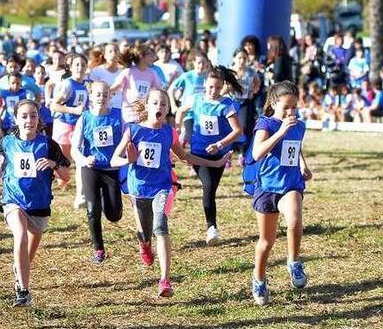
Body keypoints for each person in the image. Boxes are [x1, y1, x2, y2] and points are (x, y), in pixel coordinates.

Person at [109, 89, 227, 297]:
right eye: (155, 103)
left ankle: (165, 280)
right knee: (145, 233)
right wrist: (128, 160)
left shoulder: (169, 133)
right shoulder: (133, 131)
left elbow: (184, 157)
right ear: (147, 106)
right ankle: (145, 245)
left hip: (162, 187)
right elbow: (113, 160)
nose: (160, 107)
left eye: (164, 104)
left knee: (160, 226)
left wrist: (215, 162)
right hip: (139, 188)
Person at [0, 100, 70, 307]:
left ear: (38, 119)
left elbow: (66, 176)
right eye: (24, 116)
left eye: (33, 116)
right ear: (16, 119)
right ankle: (23, 292)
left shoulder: (48, 144)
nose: (29, 120)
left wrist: (54, 164)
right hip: (13, 200)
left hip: (39, 205)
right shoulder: (7, 142)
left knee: (27, 254)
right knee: (20, 235)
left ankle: (19, 272)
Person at [245, 81, 312, 305]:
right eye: (286, 107)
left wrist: (302, 164)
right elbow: (256, 152)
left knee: (294, 220)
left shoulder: (299, 126)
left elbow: (295, 147)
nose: (291, 112)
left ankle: (293, 262)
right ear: (274, 103)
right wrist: (281, 131)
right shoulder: (265, 124)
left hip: (290, 183)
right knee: (266, 241)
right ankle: (259, 278)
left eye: (294, 107)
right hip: (266, 187)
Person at [175, 66, 243, 245]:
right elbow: (181, 111)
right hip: (198, 153)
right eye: (211, 87)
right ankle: (211, 228)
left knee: (212, 188)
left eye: (218, 88)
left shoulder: (226, 104)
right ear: (205, 84)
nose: (213, 91)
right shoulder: (196, 99)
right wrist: (179, 128)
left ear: (223, 87)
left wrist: (220, 144)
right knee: (208, 185)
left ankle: (212, 227)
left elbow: (238, 130)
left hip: (219, 154)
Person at [70, 81, 123, 264]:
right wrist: (84, 160)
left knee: (114, 215)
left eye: (105, 94)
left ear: (110, 96)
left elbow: (129, 139)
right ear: (91, 96)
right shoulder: (84, 118)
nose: (101, 98)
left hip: (111, 169)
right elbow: (74, 149)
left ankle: (105, 199)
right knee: (92, 210)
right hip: (91, 168)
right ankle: (98, 249)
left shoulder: (118, 116)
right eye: (98, 94)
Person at [50, 54, 89, 208]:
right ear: (71, 68)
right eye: (77, 65)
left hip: (79, 126)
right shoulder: (67, 84)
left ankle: (80, 197)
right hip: (64, 125)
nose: (80, 68)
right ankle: (49, 188)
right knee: (62, 162)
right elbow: (54, 105)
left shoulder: (87, 85)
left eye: (83, 65)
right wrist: (73, 110)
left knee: (80, 159)